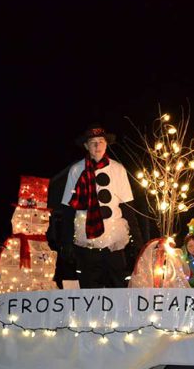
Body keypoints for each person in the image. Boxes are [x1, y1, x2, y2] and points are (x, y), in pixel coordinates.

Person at [47, 123, 142, 288]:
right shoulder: (77, 170)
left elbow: (128, 206)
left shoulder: (118, 169)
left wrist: (138, 241)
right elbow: (69, 208)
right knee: (90, 284)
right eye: (93, 142)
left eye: (101, 141)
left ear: (106, 144)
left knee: (117, 281)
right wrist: (67, 241)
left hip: (113, 236)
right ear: (86, 146)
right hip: (87, 235)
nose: (97, 145)